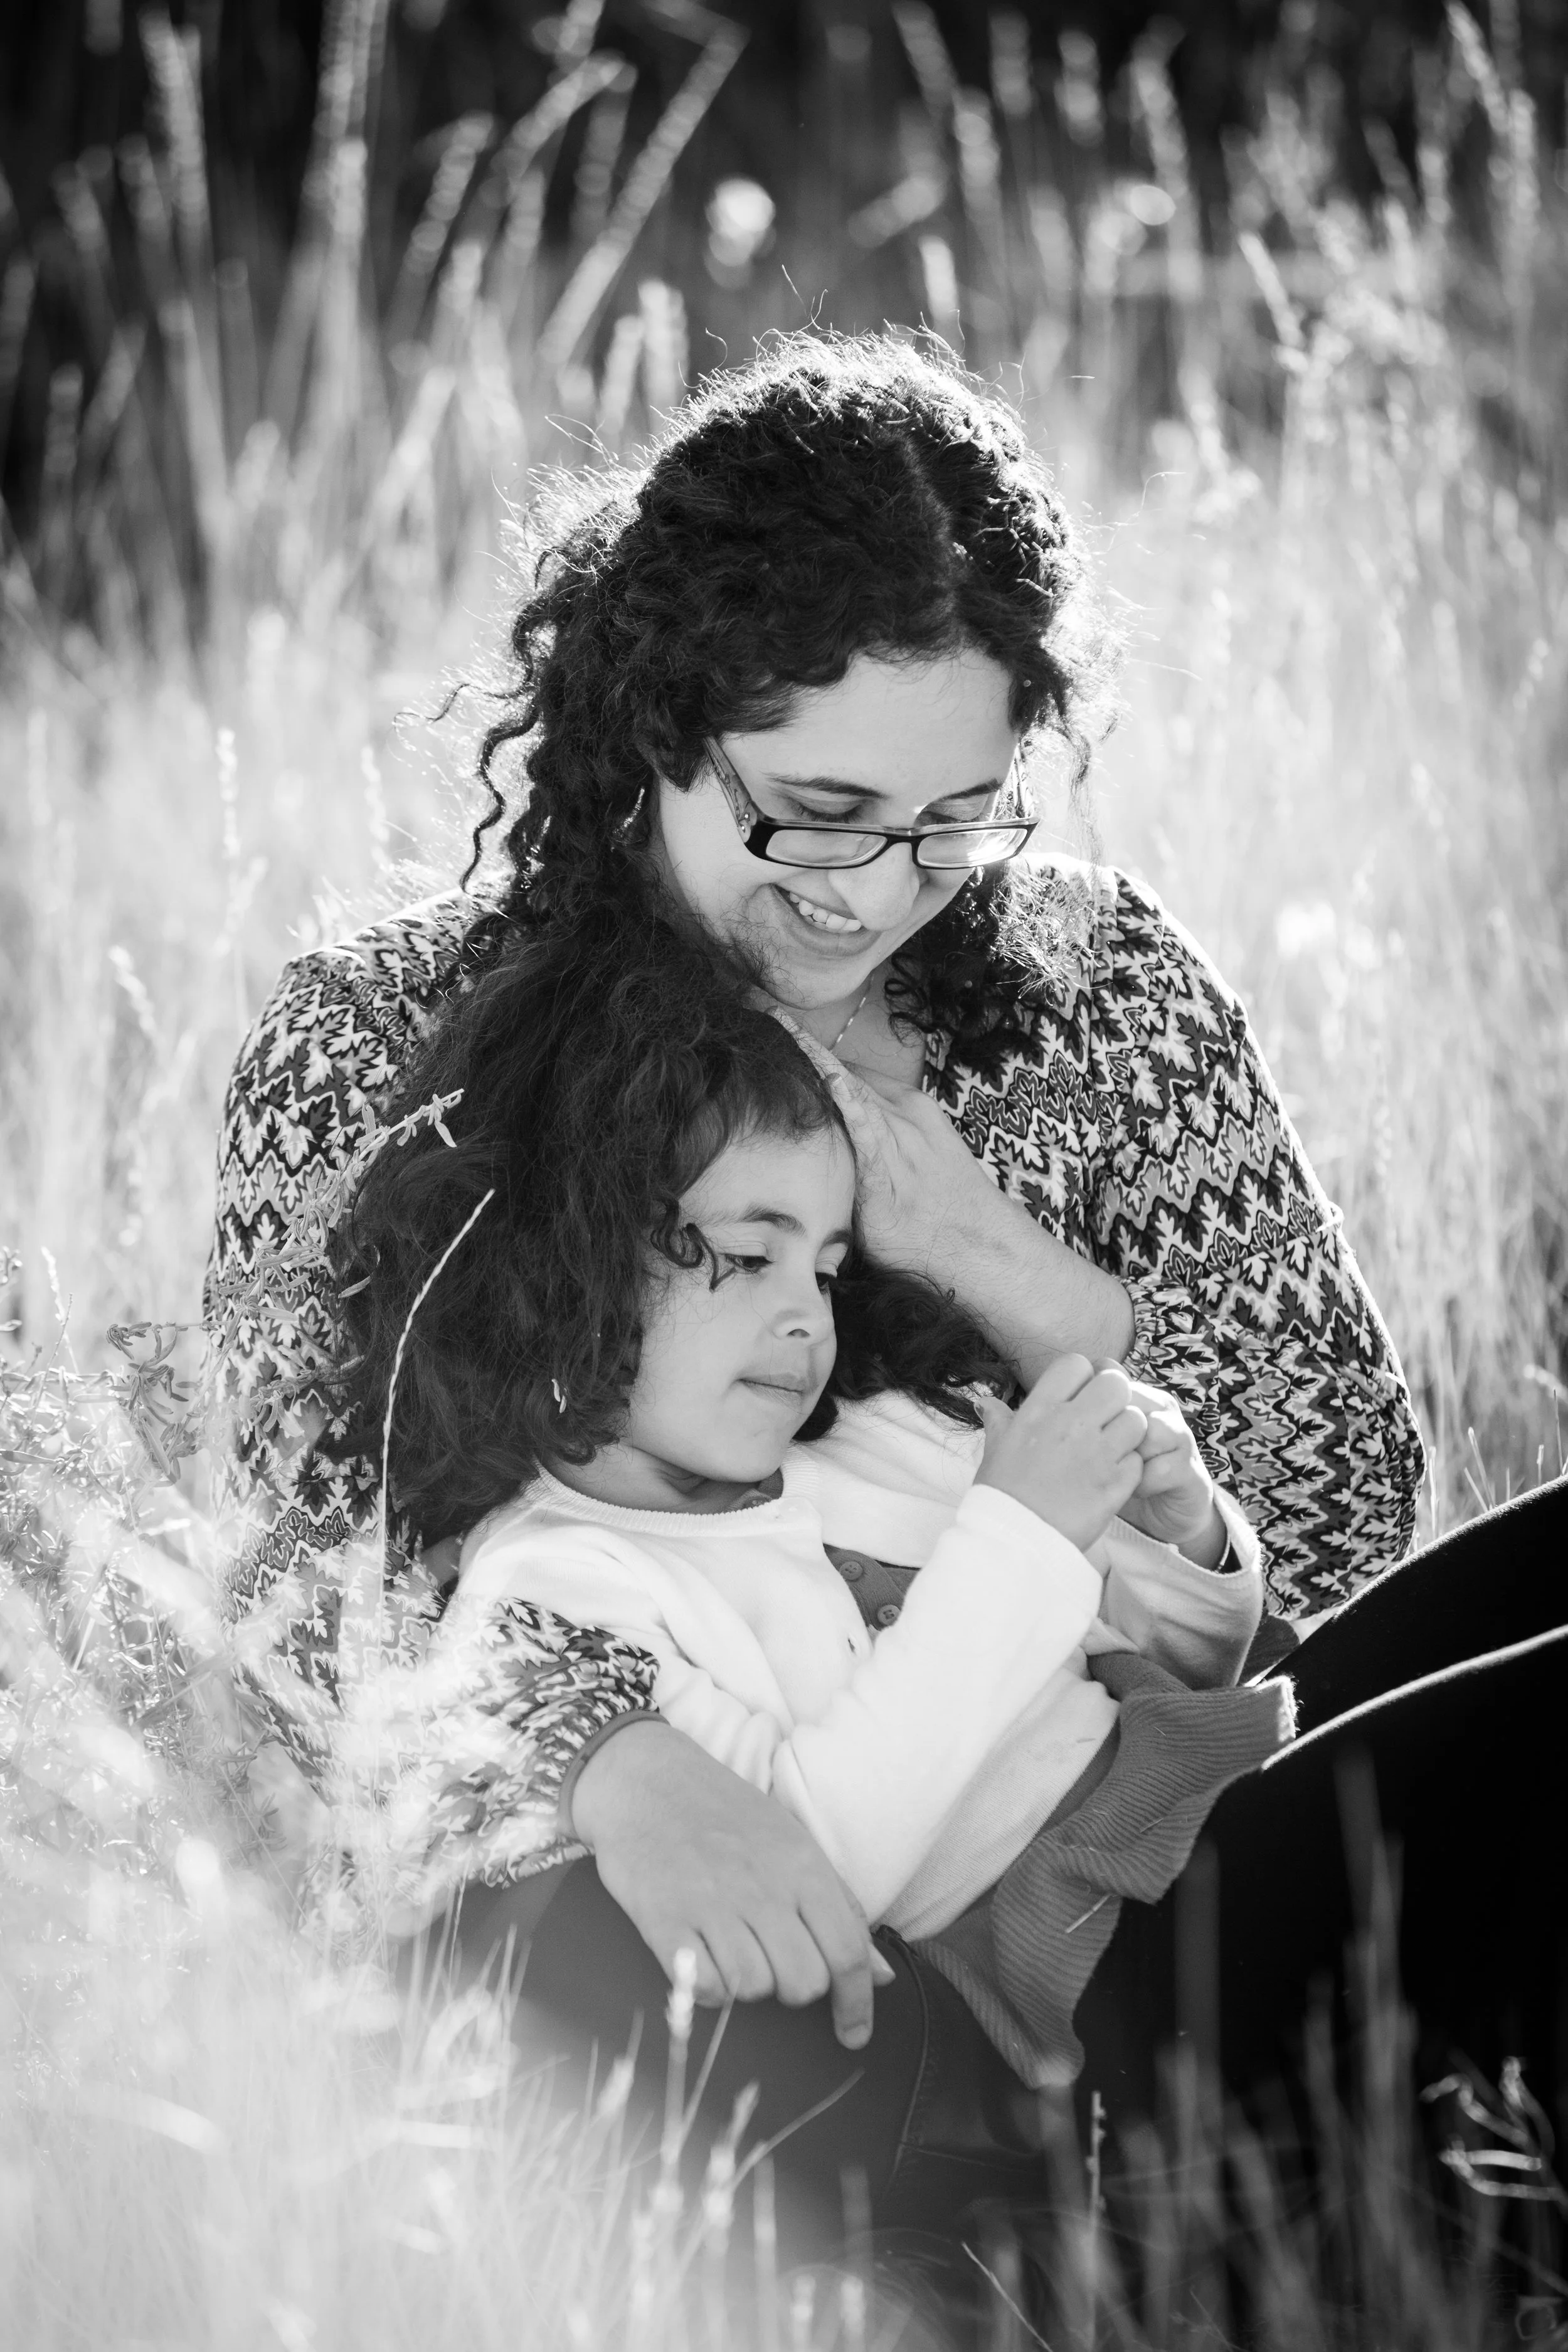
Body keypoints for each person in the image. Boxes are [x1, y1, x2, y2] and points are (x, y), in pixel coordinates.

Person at [204, 334, 1565, 2257]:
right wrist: (601, 1748)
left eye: (953, 819)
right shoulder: (377, 1043)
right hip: (854, 1967)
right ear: (650, 716)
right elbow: (293, 1593)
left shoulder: (1097, 988)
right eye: (815, 809)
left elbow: (1335, 1505)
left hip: (1152, 1777)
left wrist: (992, 1258)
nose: (874, 889)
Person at [331, 918, 1291, 2117]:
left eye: (827, 1270)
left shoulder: (876, 1437)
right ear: (568, 1259)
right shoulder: (566, 1581)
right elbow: (809, 1868)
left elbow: (1191, 1665)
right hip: (1092, 1940)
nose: (808, 1318)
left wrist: (1178, 1535)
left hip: (1208, 1781)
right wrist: (1021, 1541)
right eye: (751, 1256)